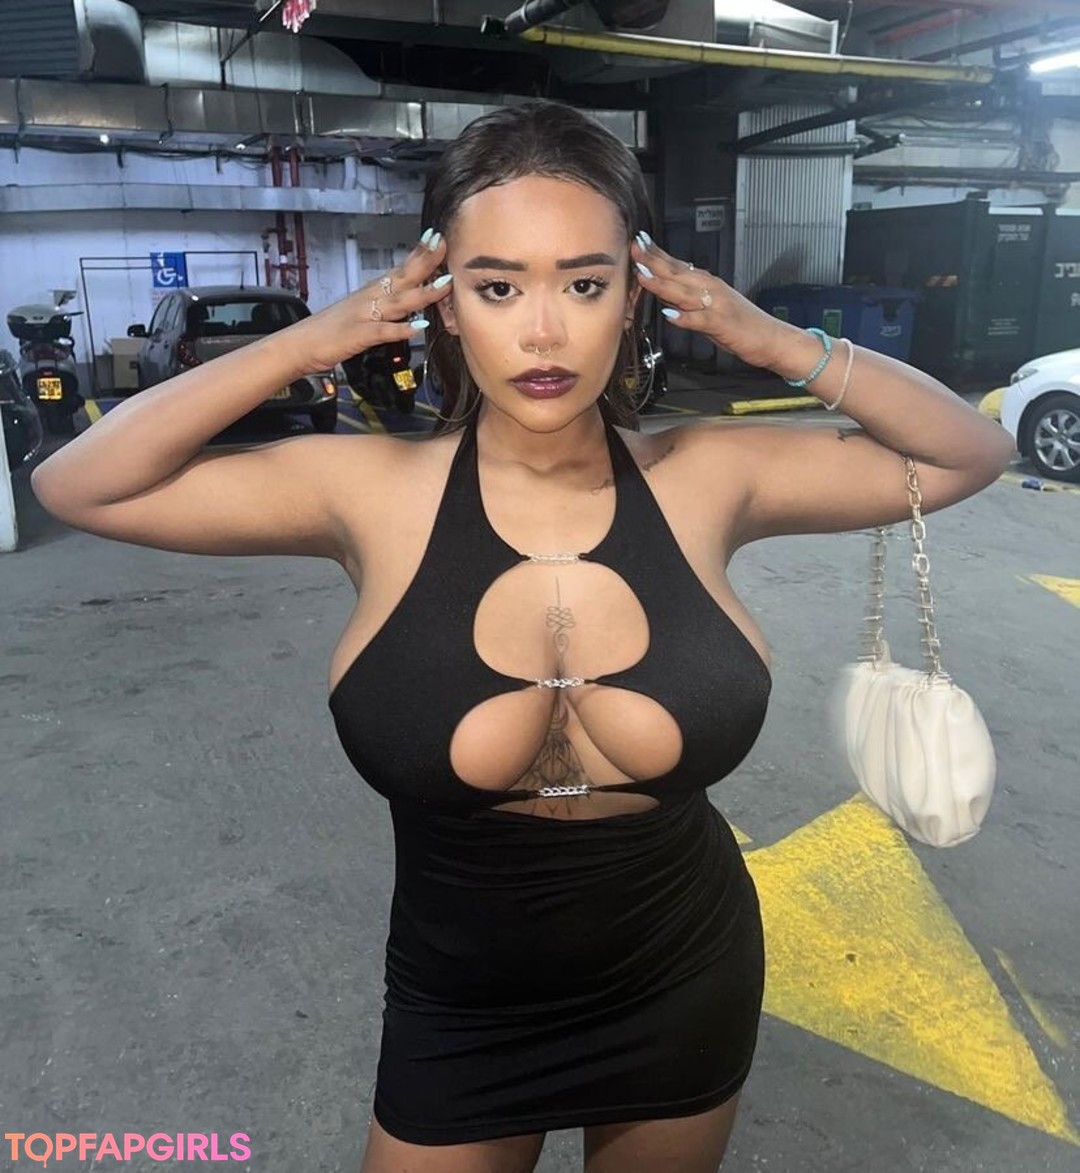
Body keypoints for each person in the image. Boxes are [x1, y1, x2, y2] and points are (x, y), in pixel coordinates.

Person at [30, 101, 1015, 1173]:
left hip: (683, 977)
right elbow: (80, 483)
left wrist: (775, 339)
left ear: (634, 297)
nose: (543, 333)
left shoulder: (710, 475)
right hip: (461, 1010)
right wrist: (310, 340)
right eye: (498, 287)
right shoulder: (366, 491)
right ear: (446, 304)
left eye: (584, 285)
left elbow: (969, 452)